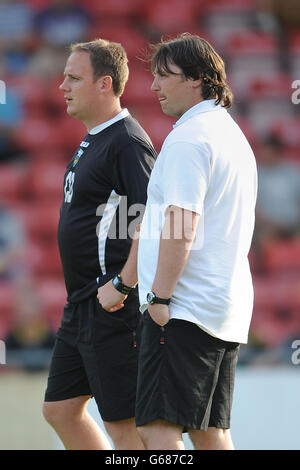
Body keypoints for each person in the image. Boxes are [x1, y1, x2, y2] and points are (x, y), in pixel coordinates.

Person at [98, 33, 257, 450]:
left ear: (197, 80)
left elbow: (179, 226)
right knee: (210, 432)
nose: (153, 87)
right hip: (223, 306)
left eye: (165, 76)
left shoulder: (189, 138)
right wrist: (127, 283)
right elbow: (160, 221)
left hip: (183, 307)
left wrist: (161, 299)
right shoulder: (231, 135)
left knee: (156, 427)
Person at [42, 38, 156, 450]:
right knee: (60, 409)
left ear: (105, 83)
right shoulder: (95, 137)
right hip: (82, 303)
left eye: (74, 77)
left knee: (124, 426)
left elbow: (155, 221)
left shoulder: (126, 141)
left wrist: (123, 285)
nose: (62, 86)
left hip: (111, 303)